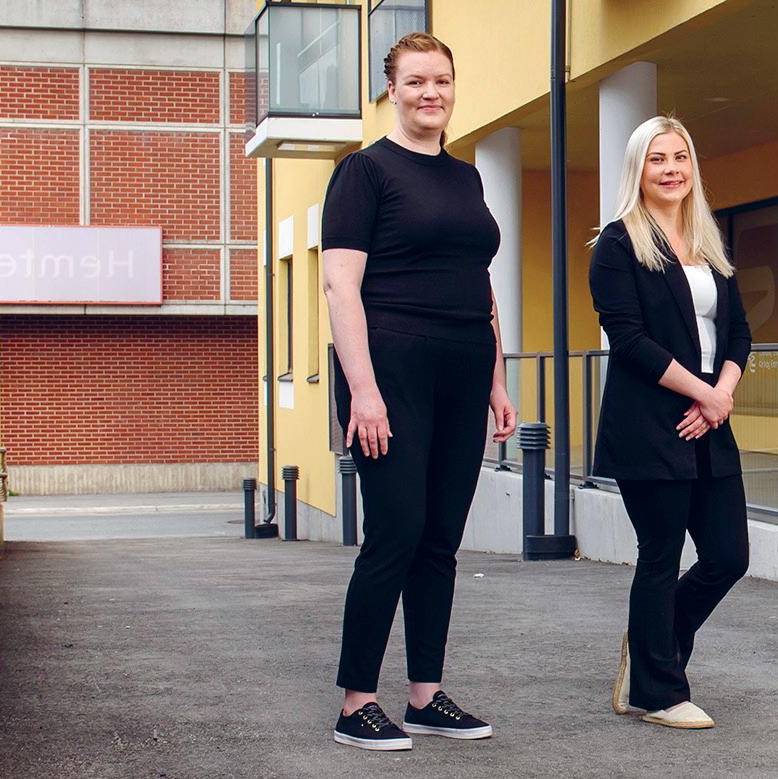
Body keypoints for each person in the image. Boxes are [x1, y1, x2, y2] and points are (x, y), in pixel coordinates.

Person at [322, 32, 508, 751]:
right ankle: (356, 702)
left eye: (442, 81)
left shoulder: (466, 178)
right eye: (416, 81)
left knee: (439, 539)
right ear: (392, 91)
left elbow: (480, 285)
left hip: (464, 368)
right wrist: (363, 392)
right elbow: (340, 287)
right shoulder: (364, 172)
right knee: (395, 532)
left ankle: (425, 695)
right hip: (392, 370)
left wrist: (496, 378)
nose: (431, 93)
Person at [590, 115, 754, 728]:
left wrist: (721, 394)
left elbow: (739, 332)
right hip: (650, 420)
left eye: (680, 157)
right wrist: (703, 393)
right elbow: (628, 340)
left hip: (711, 416)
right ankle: (659, 693)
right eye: (657, 159)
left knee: (728, 556)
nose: (671, 169)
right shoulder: (617, 244)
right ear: (638, 170)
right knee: (660, 554)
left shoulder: (708, 241)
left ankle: (649, 648)